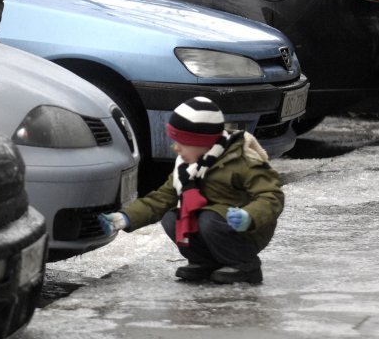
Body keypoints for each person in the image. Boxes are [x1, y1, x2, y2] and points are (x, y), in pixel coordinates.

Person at [99, 96, 284, 284]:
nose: (175, 148)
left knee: (208, 220)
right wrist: (126, 217)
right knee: (172, 218)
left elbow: (271, 195)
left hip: (245, 229)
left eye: (183, 143)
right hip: (212, 224)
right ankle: (204, 262)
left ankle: (245, 265)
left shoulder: (242, 160)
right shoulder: (186, 168)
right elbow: (160, 199)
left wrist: (249, 216)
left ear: (204, 143)